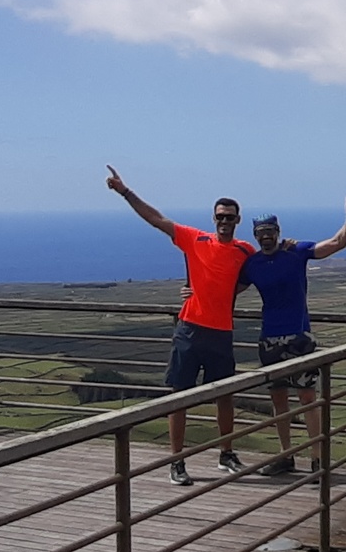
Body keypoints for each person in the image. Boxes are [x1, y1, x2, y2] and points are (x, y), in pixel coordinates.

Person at [106, 166, 253, 485]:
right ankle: (177, 461)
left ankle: (226, 454)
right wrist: (125, 192)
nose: (225, 221)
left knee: (224, 395)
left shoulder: (245, 251)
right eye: (220, 216)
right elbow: (157, 219)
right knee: (179, 395)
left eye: (230, 217)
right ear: (214, 219)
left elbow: (257, 274)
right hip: (190, 328)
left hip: (222, 331)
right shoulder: (194, 239)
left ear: (238, 221)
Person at [240, 198, 346, 474]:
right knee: (279, 400)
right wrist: (192, 292)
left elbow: (336, 244)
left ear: (278, 231)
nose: (266, 236)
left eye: (270, 231)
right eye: (261, 232)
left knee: (307, 398)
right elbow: (228, 289)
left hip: (299, 336)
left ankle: (318, 459)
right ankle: (286, 455)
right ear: (255, 235)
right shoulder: (252, 264)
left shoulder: (297, 252)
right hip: (269, 338)